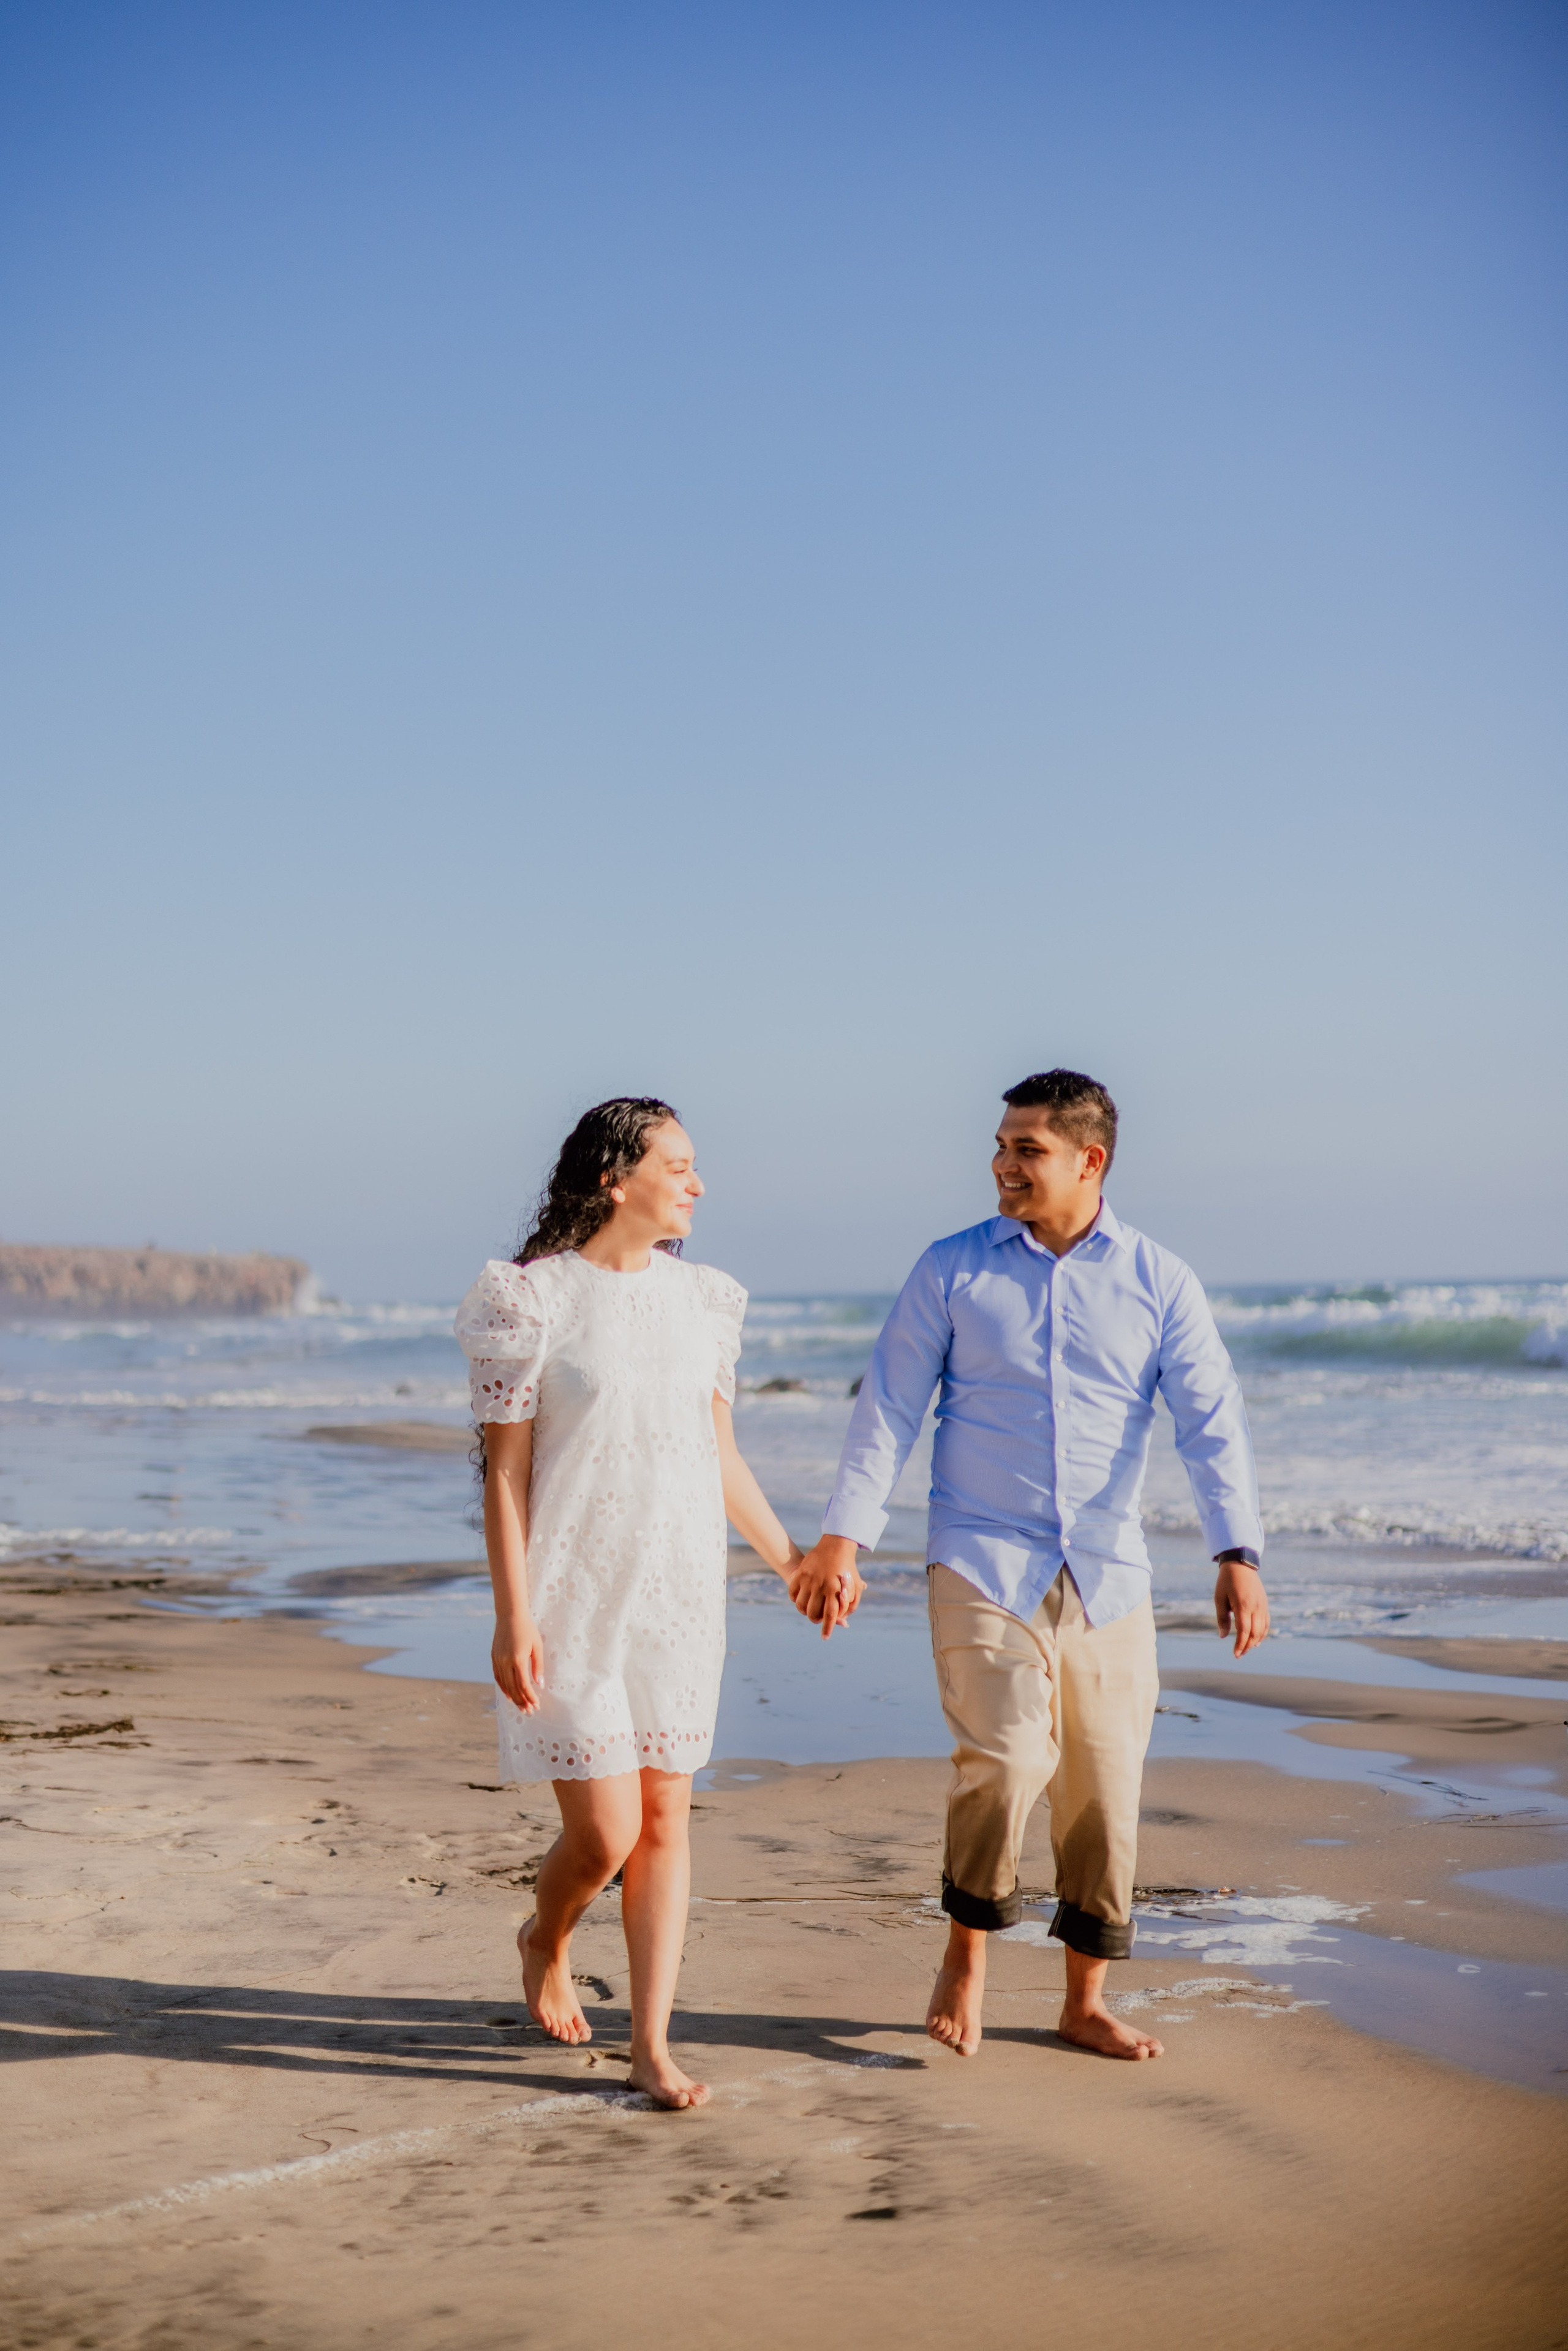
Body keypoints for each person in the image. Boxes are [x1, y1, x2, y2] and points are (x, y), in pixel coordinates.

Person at [791, 1070, 1268, 2063]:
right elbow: (888, 1404)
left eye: (1027, 1150)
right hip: (979, 1555)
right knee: (1006, 1758)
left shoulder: (1159, 1280)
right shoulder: (952, 1269)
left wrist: (1237, 1551)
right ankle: (967, 1950)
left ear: (1090, 1161)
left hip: (1108, 1573)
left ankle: (1082, 2000)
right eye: (1002, 1147)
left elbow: (1211, 1420)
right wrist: (845, 1534)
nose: (1004, 1165)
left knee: (1103, 1789)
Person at [455, 1096, 804, 2110]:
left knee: (663, 1817)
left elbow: (720, 1455)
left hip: (678, 1593)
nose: (698, 1182)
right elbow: (506, 1474)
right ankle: (545, 1935)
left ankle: (651, 2042)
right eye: (679, 1163)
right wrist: (511, 1614)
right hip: (571, 1593)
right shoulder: (530, 1299)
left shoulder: (707, 1300)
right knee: (603, 1836)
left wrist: (791, 1562)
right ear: (619, 1178)